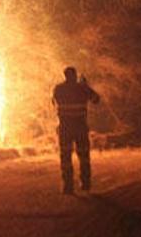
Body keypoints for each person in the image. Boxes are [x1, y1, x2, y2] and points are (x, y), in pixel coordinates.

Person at [52, 66, 100, 194]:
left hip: (65, 128)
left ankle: (67, 186)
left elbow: (55, 102)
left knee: (65, 157)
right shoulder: (82, 89)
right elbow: (96, 99)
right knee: (84, 156)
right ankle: (85, 183)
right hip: (80, 128)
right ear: (75, 75)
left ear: (65, 75)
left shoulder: (59, 89)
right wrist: (85, 85)